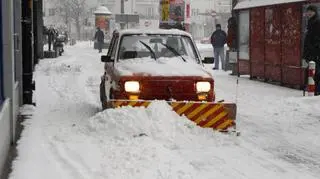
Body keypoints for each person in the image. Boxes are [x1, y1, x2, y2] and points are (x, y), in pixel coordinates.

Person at [303, 5, 320, 95]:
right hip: (311, 52)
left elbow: (316, 39)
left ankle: (316, 91)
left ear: (315, 12)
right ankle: (314, 90)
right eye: (308, 11)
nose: (308, 13)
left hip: (315, 53)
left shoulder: (317, 22)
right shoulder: (310, 22)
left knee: (315, 72)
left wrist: (315, 50)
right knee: (312, 72)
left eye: (310, 11)